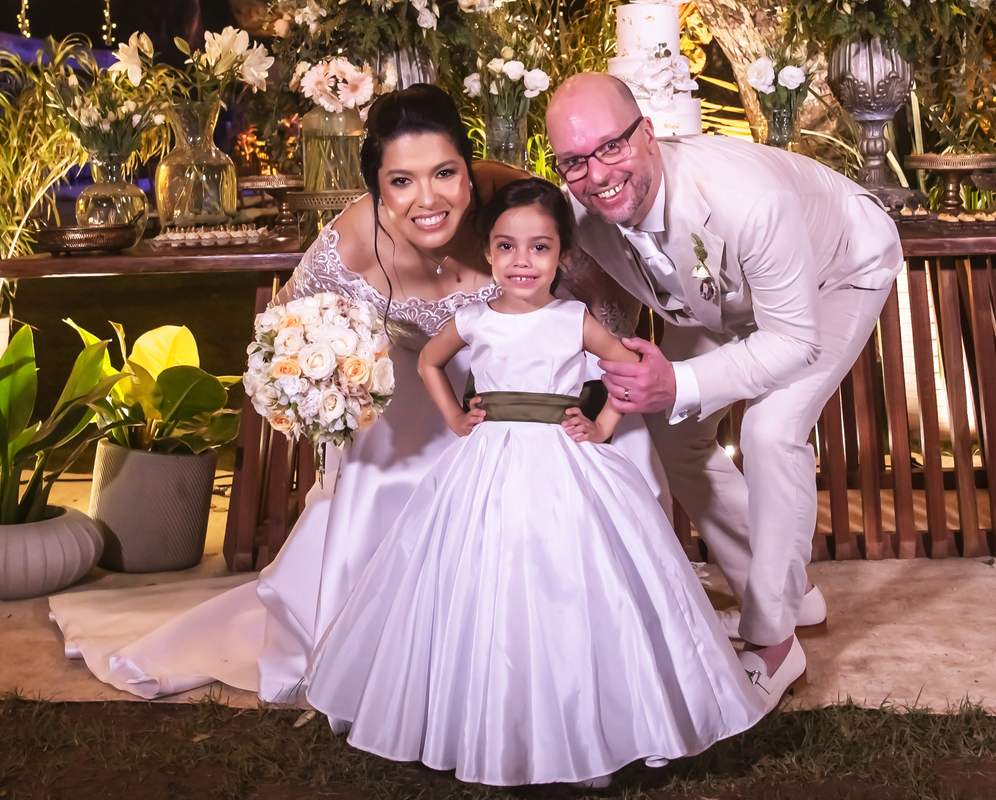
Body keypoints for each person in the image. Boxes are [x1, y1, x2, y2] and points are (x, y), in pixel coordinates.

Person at [48, 84, 668, 703]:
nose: (428, 200)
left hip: (518, 384)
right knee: (389, 472)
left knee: (613, 445)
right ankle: (399, 650)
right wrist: (327, 387)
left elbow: (609, 313)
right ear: (376, 186)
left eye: (446, 174)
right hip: (415, 381)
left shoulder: (518, 210)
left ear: (470, 168)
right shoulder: (349, 245)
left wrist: (571, 397)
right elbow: (285, 334)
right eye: (402, 182)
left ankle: (586, 630)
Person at [305, 178, 765, 786]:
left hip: (563, 462)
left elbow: (628, 365)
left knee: (571, 578)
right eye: (507, 247)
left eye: (540, 248)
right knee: (483, 579)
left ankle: (590, 729)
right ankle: (483, 719)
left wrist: (602, 423)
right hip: (487, 462)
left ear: (561, 255)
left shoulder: (573, 319)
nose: (523, 262)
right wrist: (454, 417)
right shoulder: (473, 319)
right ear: (489, 252)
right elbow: (427, 361)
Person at [545, 73, 904, 708]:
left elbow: (794, 341)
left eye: (611, 148)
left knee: (770, 431)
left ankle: (772, 641)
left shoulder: (747, 198)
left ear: (648, 134)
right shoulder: (583, 213)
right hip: (719, 304)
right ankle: (787, 597)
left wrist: (678, 379)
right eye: (574, 161)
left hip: (837, 272)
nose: (597, 175)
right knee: (673, 429)